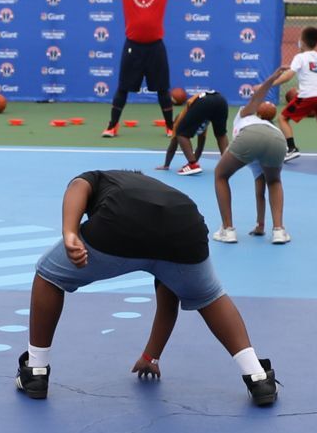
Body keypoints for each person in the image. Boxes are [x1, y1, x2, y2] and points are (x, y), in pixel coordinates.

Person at [18, 167, 278, 406]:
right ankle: (257, 376)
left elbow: (77, 186)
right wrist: (151, 356)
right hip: (186, 227)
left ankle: (36, 371)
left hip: (118, 222)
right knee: (210, 297)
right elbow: (168, 302)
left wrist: (70, 233)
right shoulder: (162, 194)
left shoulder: (102, 178)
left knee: (49, 275)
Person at [78, 0, 225, 136]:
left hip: (155, 47)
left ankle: (170, 127)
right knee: (122, 88)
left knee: (163, 90)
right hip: (133, 46)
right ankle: (112, 126)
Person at [249, 26, 317, 159]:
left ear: (302, 42)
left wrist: (266, 85)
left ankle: (292, 149)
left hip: (307, 96)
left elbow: (287, 76)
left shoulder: (300, 57)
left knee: (283, 118)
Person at [211, 99, 291, 244]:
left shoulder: (243, 114)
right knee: (274, 181)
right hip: (278, 139)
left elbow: (256, 97)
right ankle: (279, 231)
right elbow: (260, 191)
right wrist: (260, 226)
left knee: (220, 175)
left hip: (250, 137)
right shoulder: (270, 125)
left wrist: (269, 82)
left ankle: (228, 230)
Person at [162, 87, 232, 173]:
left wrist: (166, 165)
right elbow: (200, 147)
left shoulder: (179, 121)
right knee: (221, 134)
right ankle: (228, 164)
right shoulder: (201, 120)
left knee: (181, 134)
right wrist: (194, 161)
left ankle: (192, 165)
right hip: (221, 100)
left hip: (205, 102)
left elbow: (173, 145)